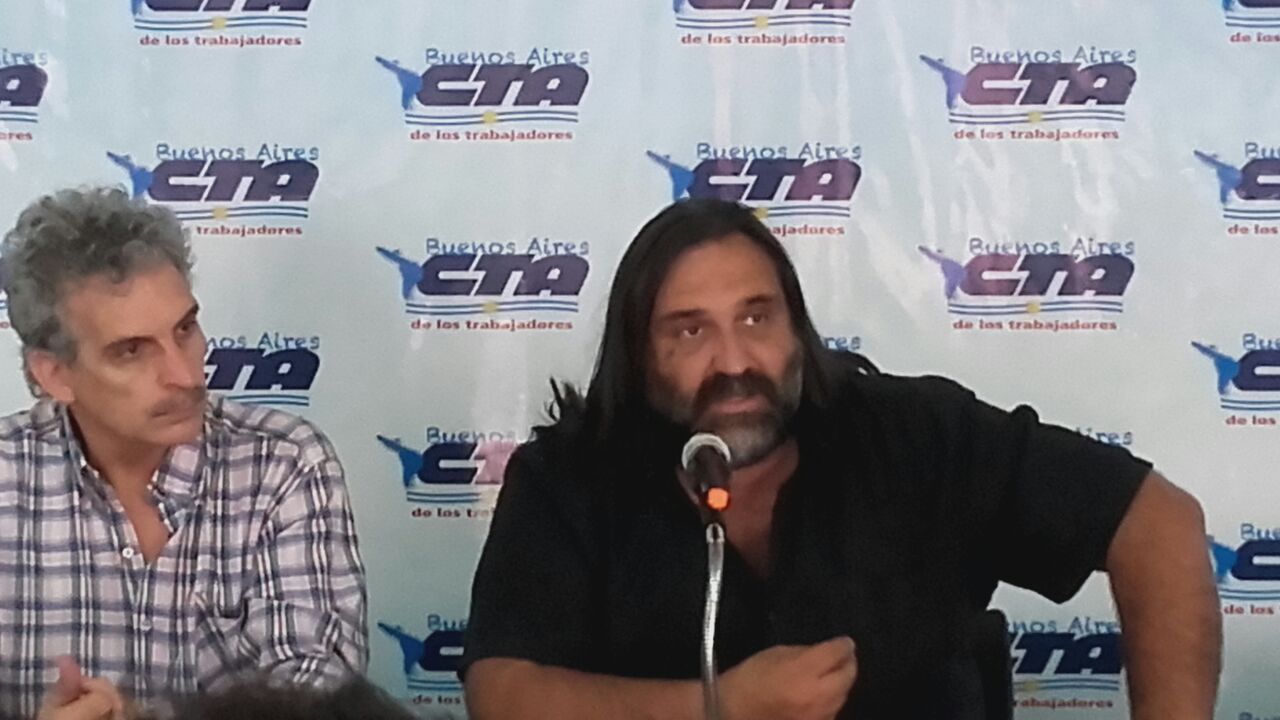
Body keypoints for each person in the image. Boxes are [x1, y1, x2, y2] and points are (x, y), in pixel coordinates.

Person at [460, 198, 1221, 719]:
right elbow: (503, 692)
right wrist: (719, 706)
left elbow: (1157, 522)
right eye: (690, 332)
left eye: (757, 318)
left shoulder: (915, 435)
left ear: (796, 328)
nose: (735, 361)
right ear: (640, 354)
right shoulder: (570, 476)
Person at [0, 187, 368, 719]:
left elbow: (319, 702)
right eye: (131, 350)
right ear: (54, 374)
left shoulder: (284, 464)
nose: (185, 375)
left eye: (185, 329)